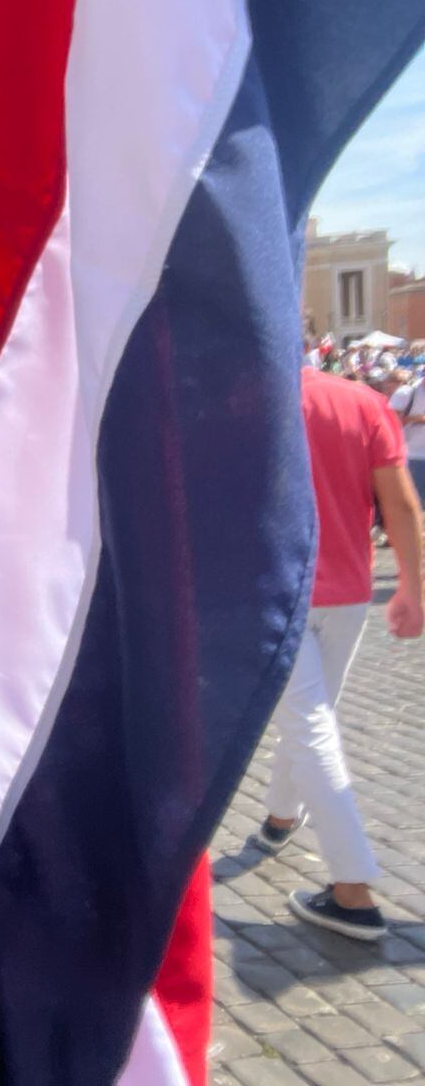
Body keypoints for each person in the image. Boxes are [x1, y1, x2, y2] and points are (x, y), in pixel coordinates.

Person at [251, 365, 423, 940]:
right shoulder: (364, 401)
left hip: (277, 590)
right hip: (348, 591)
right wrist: (411, 586)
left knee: (309, 724)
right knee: (311, 718)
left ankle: (352, 890)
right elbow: (399, 504)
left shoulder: (249, 396)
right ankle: (279, 818)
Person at [388, 364, 425, 503]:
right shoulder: (407, 393)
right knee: (406, 503)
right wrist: (416, 419)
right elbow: (389, 423)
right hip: (408, 456)